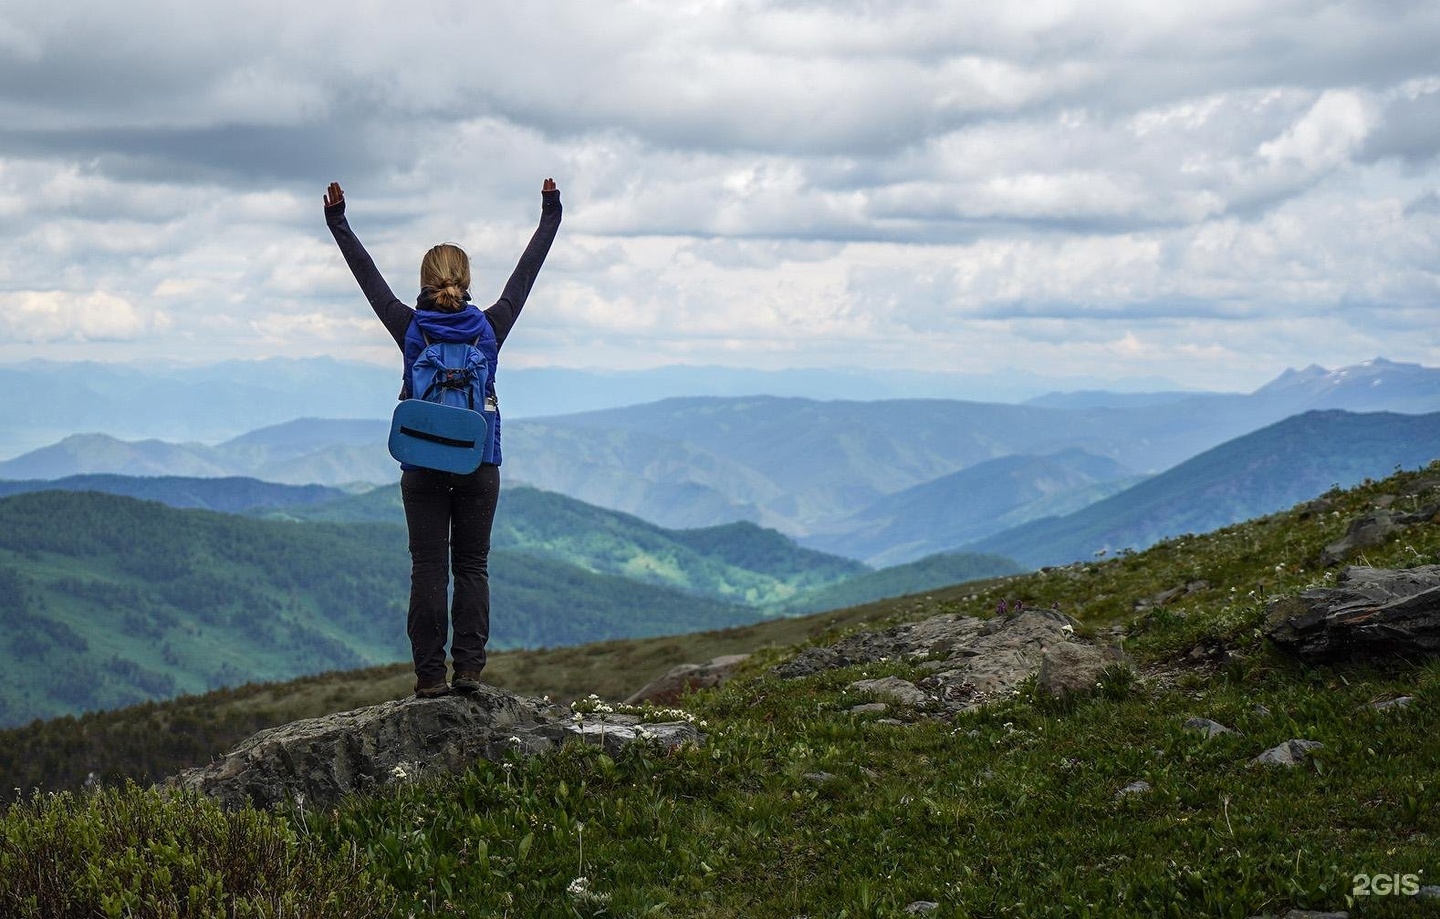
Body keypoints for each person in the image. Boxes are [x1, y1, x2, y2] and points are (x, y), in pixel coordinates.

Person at [324, 177, 562, 698]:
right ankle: (470, 673)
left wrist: (338, 222)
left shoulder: (410, 328)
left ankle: (430, 678)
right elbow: (527, 273)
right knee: (472, 566)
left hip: (423, 463)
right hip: (479, 463)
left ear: (426, 280)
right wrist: (550, 214)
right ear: (467, 278)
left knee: (429, 568)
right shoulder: (490, 327)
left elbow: (369, 280)